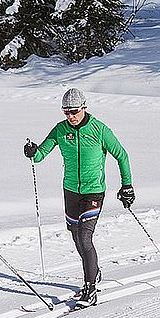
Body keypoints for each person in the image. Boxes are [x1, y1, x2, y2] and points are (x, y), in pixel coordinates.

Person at [24, 88, 131, 306]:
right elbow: (41, 155)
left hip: (93, 191)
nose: (70, 116)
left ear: (84, 108)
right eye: (66, 112)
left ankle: (90, 289)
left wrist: (127, 185)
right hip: (70, 191)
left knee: (85, 237)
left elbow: (121, 154)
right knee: (75, 236)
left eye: (74, 111)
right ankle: (94, 271)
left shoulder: (99, 130)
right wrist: (33, 151)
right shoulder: (60, 130)